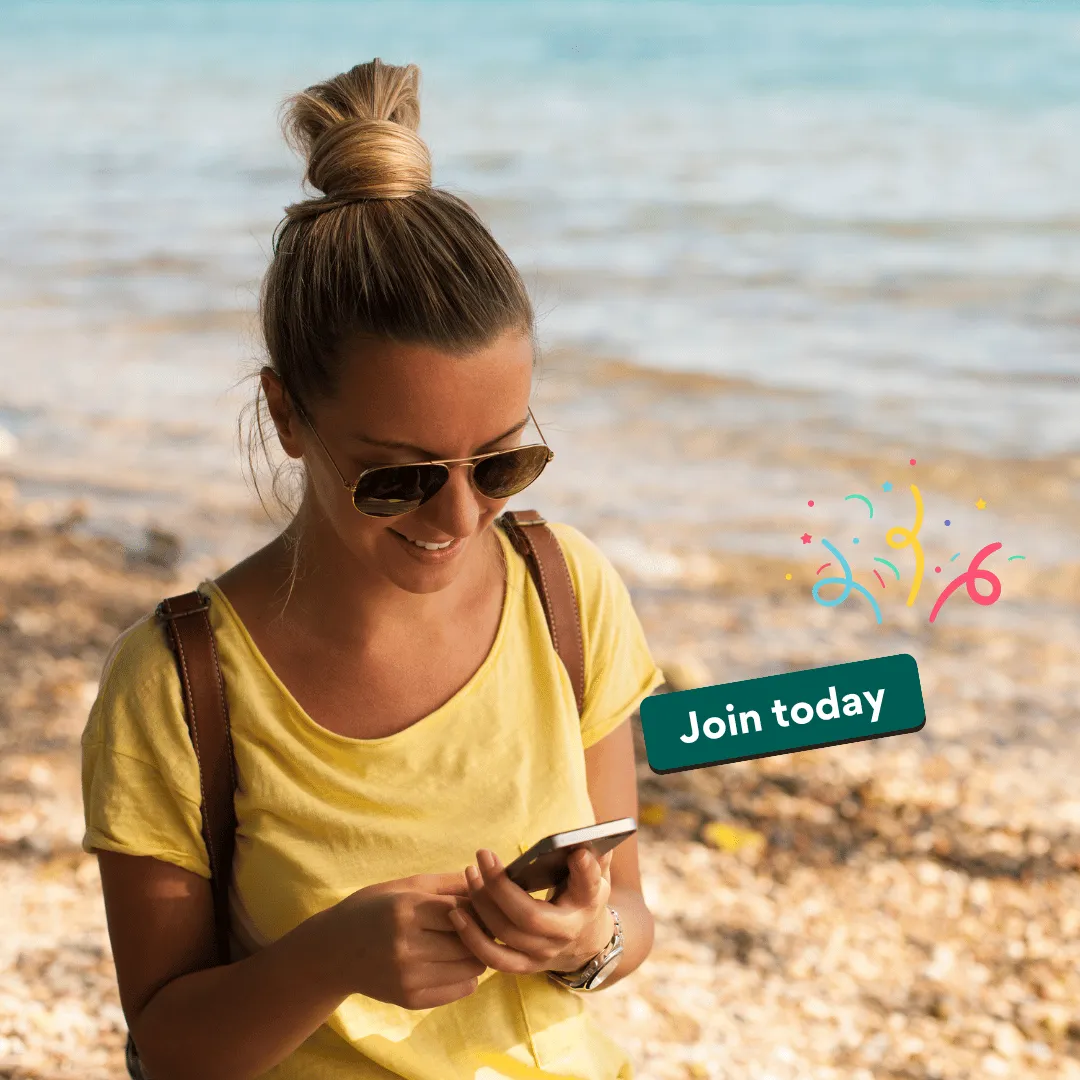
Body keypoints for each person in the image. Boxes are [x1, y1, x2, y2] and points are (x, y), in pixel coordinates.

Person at [81, 58, 665, 1080]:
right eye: (397, 478)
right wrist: (329, 960)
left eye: (502, 463)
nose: (460, 514)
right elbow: (169, 1050)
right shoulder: (178, 687)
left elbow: (627, 920)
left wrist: (585, 945)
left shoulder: (568, 596)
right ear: (287, 415)